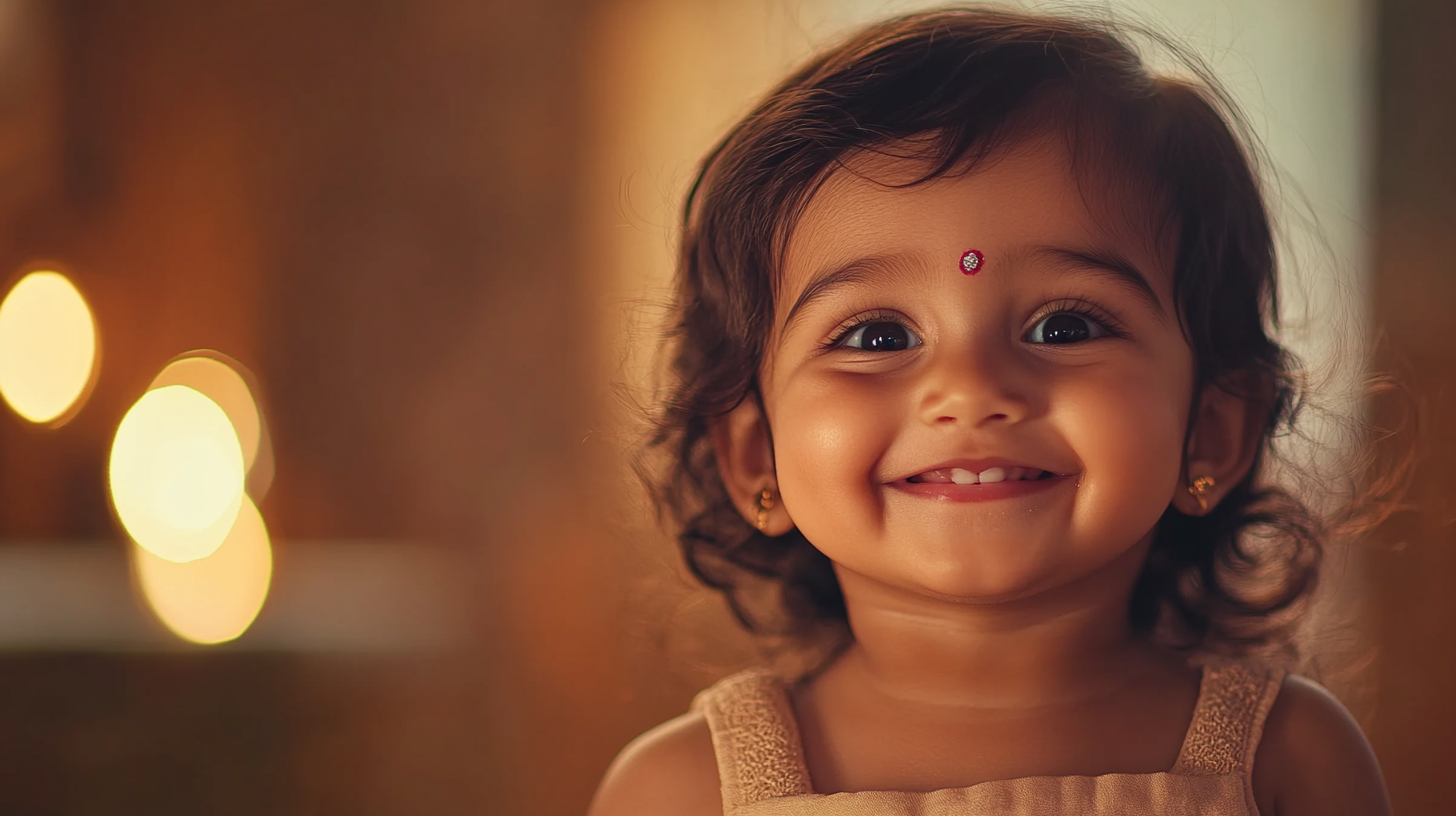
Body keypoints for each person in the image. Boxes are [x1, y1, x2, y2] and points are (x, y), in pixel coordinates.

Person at [589, 7, 1392, 815]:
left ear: (1212, 431)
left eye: (1065, 326)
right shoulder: (681, 791)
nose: (971, 388)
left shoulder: (1288, 761)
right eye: (876, 335)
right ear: (755, 457)